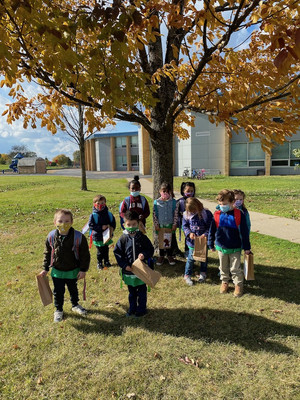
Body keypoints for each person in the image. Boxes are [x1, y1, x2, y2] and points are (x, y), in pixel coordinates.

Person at [39, 209, 90, 322]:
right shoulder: (51, 236)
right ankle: (58, 310)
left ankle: (75, 305)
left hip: (72, 270)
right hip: (57, 271)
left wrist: (83, 269)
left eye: (67, 221)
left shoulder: (78, 237)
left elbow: (85, 255)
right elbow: (47, 253)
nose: (63, 224)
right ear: (55, 222)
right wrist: (45, 268)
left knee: (73, 289)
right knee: (58, 291)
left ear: (71, 222)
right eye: (60, 221)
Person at [208, 189, 251, 297]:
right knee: (223, 267)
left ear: (232, 202)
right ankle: (225, 282)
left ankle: (238, 285)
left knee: (235, 268)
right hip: (221, 246)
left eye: (225, 204)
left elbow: (244, 232)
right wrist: (210, 243)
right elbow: (212, 230)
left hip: (235, 247)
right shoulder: (217, 214)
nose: (222, 206)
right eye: (220, 204)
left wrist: (247, 247)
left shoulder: (239, 214)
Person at [114, 210, 154, 317]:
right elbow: (117, 253)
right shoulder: (123, 239)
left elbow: (150, 249)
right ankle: (132, 309)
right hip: (129, 271)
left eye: (134, 224)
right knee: (132, 293)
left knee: (141, 292)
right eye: (129, 225)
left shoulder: (142, 237)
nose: (131, 227)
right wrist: (124, 265)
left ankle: (141, 310)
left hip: (141, 271)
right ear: (124, 225)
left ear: (138, 223)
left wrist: (144, 255)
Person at [182, 197, 213, 285]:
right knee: (191, 259)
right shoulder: (186, 215)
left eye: (194, 210)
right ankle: (187, 275)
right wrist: (189, 233)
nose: (193, 212)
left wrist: (205, 234)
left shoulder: (206, 213)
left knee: (203, 258)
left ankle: (203, 272)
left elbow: (210, 226)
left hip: (203, 241)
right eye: (191, 211)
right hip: (192, 242)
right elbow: (185, 226)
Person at [153, 182, 179, 266]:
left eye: (168, 191)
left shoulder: (174, 202)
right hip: (160, 226)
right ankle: (161, 256)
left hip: (170, 226)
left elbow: (175, 214)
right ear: (160, 191)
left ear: (170, 192)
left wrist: (175, 224)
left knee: (169, 241)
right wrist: (156, 224)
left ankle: (169, 255)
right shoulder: (156, 202)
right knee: (161, 242)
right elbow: (154, 215)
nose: (165, 193)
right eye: (163, 191)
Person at [88, 194, 116, 270]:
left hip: (106, 236)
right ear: (94, 204)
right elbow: (91, 226)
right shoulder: (93, 215)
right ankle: (99, 263)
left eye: (103, 203)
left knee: (106, 249)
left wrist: (111, 229)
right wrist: (101, 227)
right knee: (100, 251)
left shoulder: (108, 214)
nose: (101, 205)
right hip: (98, 236)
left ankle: (107, 261)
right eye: (98, 203)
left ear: (105, 203)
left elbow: (113, 223)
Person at [174, 181, 196, 257]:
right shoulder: (180, 201)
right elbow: (176, 213)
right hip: (184, 224)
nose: (190, 193)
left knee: (193, 237)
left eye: (191, 191)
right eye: (188, 191)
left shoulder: (195, 201)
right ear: (183, 191)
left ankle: (194, 251)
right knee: (188, 237)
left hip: (194, 223)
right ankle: (187, 251)